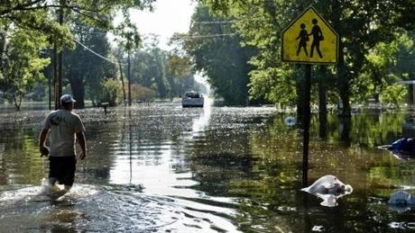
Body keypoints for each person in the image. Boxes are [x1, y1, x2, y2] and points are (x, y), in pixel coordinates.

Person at [39, 94, 87, 196]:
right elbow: (80, 136)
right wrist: (84, 150)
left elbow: (44, 132)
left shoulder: (51, 115)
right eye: (72, 103)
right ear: (69, 104)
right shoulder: (74, 118)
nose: (73, 105)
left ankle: (47, 191)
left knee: (53, 175)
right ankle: (65, 196)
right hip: (68, 154)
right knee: (68, 182)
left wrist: (41, 146)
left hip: (54, 153)